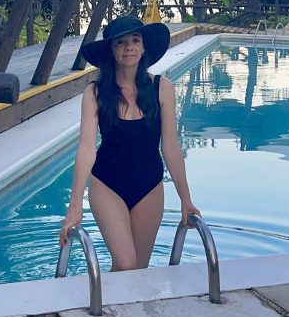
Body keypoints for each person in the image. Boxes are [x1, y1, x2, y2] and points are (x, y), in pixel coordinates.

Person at [59, 14, 200, 271]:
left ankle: (119, 311)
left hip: (149, 185)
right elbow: (86, 149)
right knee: (125, 264)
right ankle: (106, 307)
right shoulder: (96, 93)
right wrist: (75, 204)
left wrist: (185, 199)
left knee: (139, 269)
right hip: (107, 184)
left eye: (135, 40)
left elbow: (170, 146)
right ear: (111, 51)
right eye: (121, 42)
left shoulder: (162, 88)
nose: (129, 47)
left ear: (144, 47)